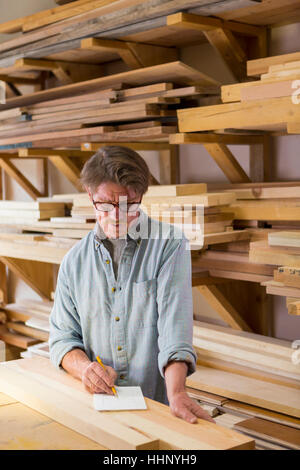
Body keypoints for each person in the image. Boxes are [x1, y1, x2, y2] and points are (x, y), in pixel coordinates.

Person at [49, 145, 214, 424]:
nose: (117, 215)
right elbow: (62, 339)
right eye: (106, 204)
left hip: (157, 409)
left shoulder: (169, 245)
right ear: (90, 196)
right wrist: (86, 369)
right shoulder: (73, 262)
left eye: (129, 204)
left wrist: (177, 393)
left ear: (141, 196)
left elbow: (175, 331)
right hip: (97, 411)